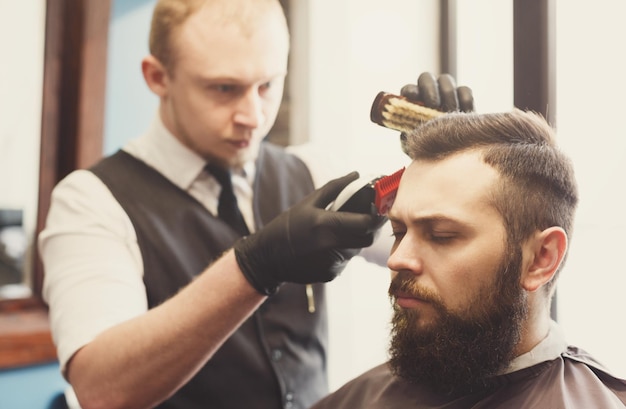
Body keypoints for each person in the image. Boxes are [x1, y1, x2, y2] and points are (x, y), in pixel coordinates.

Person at [38, 0, 472, 408]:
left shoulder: (312, 171)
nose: (252, 115)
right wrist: (255, 265)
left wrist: (447, 163)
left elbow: (436, 252)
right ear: (157, 77)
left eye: (267, 85)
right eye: (223, 89)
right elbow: (101, 389)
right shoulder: (91, 202)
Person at [310, 109, 626, 408]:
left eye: (442, 236)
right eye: (398, 232)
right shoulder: (358, 399)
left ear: (541, 259)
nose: (398, 260)